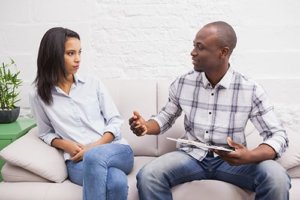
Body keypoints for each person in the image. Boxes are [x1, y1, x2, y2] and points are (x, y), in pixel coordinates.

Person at [129, 21, 291, 200]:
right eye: (194, 46)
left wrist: (250, 155)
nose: (193, 52)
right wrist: (145, 126)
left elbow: (278, 136)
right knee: (148, 175)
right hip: (191, 157)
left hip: (232, 162)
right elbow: (165, 117)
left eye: (200, 47)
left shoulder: (250, 89)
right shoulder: (183, 83)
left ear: (223, 52)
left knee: (277, 177)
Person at [30, 27, 134, 200]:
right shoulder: (37, 95)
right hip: (77, 160)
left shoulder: (93, 84)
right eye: (71, 53)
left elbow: (115, 120)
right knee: (117, 182)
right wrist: (66, 145)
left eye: (79, 52)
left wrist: (94, 147)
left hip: (115, 150)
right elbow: (45, 133)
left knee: (94, 157)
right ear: (53, 56)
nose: (78, 59)